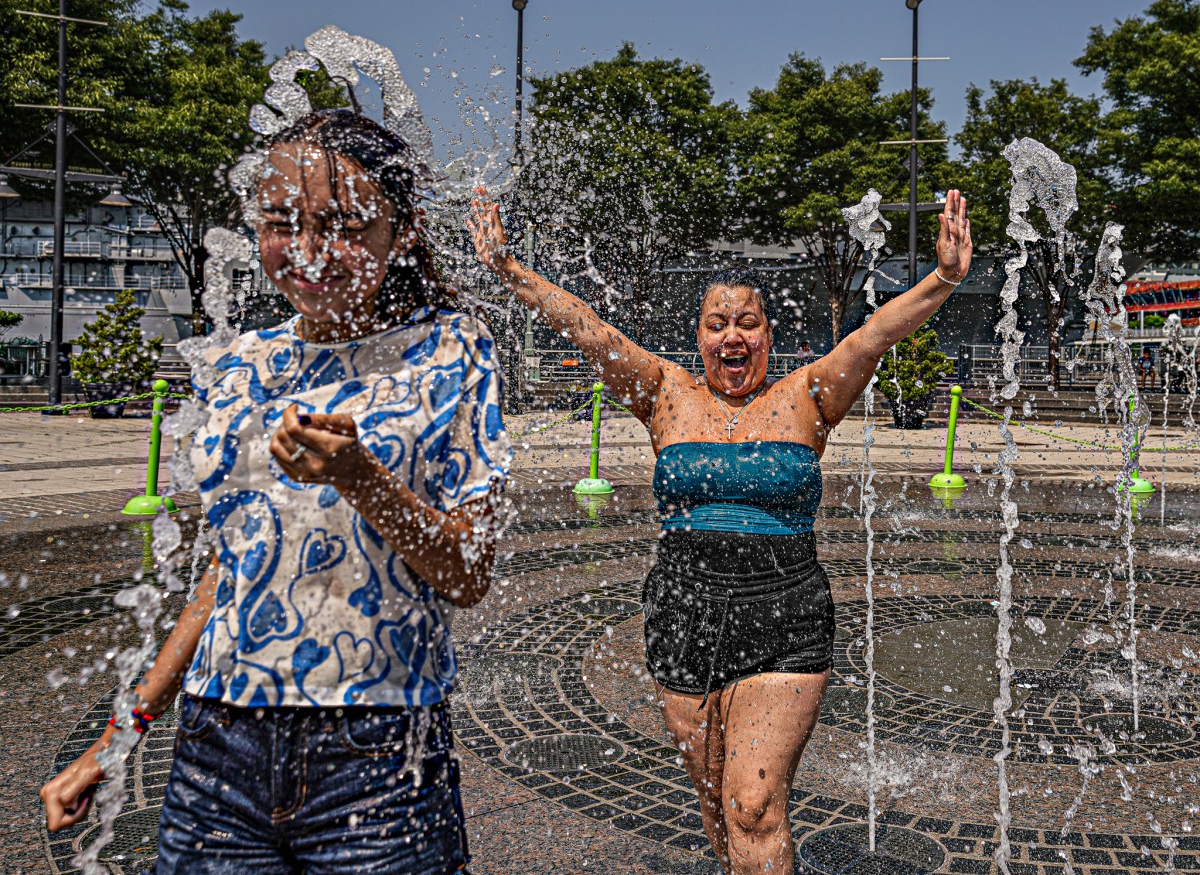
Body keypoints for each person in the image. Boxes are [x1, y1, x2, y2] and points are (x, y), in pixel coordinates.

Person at [41, 108, 511, 874]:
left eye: (345, 225)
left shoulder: (451, 351)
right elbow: (228, 571)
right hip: (215, 752)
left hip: (379, 757)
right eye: (281, 222)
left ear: (404, 230)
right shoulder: (238, 364)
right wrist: (119, 737)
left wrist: (362, 479)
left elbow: (468, 572)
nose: (309, 251)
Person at [469, 189, 972, 874]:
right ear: (699, 336)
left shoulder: (808, 395)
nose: (733, 336)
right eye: (717, 324)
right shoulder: (665, 393)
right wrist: (507, 267)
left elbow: (873, 335)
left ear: (769, 334)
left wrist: (942, 277)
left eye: (747, 323)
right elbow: (590, 330)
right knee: (719, 809)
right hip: (683, 614)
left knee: (754, 806)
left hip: (785, 613)